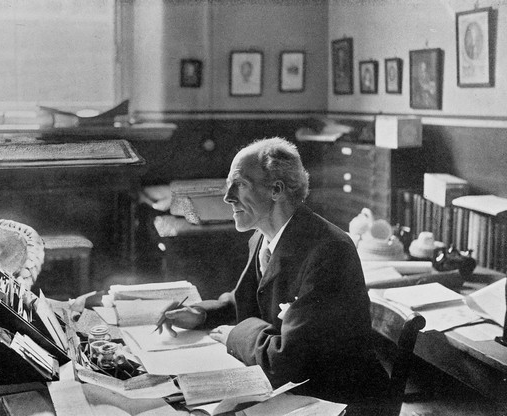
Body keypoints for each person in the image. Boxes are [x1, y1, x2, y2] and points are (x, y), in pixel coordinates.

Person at [159, 137, 389, 407]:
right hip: (292, 390)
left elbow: (284, 361)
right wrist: (201, 314)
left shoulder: (328, 251)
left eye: (240, 184)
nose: (227, 197)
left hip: (340, 400)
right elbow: (245, 300)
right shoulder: (261, 239)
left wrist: (235, 335)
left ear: (276, 190)